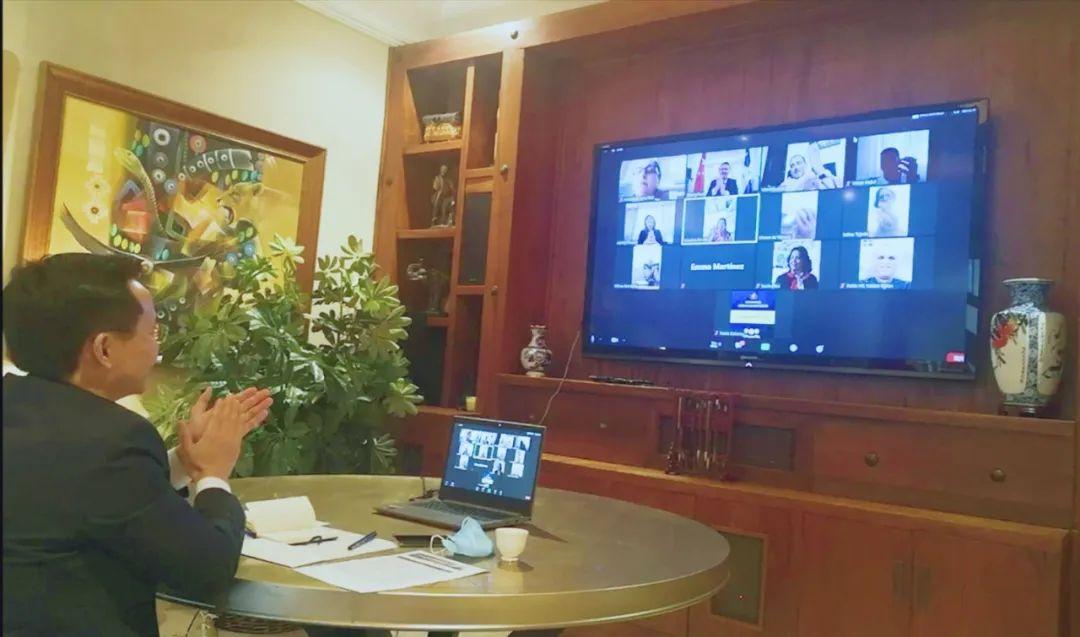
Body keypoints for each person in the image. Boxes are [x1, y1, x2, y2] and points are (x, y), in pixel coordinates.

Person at [2, 253, 274, 636]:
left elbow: (83, 492)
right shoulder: (113, 440)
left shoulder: (21, 408)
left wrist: (185, 460)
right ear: (104, 349)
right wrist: (213, 474)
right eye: (152, 333)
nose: (157, 349)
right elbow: (206, 570)